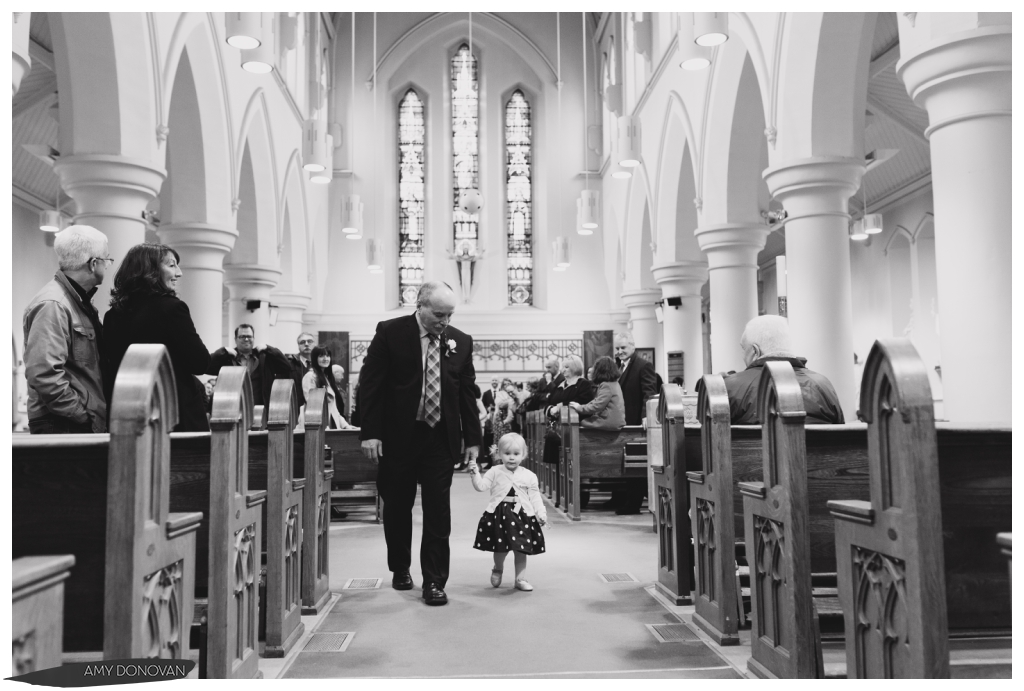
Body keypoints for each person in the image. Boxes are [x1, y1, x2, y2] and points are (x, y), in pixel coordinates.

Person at [358, 281, 481, 606]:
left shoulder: (460, 341)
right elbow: (370, 385)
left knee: (438, 511)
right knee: (397, 506)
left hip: (440, 438)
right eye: (439, 314)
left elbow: (467, 391)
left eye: (450, 314)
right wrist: (370, 432)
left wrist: (473, 439)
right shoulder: (390, 332)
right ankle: (400, 567)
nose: (444, 321)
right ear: (420, 306)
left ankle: (435, 581)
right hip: (398, 437)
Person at [103, 244, 211, 432]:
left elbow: (110, 367)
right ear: (150, 270)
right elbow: (200, 363)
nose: (179, 273)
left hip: (127, 416)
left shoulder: (112, 315)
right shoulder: (172, 309)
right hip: (173, 415)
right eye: (171, 265)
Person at [23, 225, 110, 434]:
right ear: (93, 264)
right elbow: (44, 373)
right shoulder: (54, 304)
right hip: (62, 423)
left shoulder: (76, 301)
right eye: (107, 259)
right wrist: (82, 415)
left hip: (69, 420)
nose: (108, 265)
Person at [725, 315, 845, 425]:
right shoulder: (823, 384)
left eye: (743, 348)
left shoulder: (730, 387)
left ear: (755, 351)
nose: (742, 354)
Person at [468, 432, 547, 591]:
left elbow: (535, 496)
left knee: (521, 548)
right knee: (500, 547)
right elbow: (481, 487)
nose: (512, 458)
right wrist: (475, 474)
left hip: (522, 516)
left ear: (523, 455)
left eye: (516, 454)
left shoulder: (529, 476)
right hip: (499, 516)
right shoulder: (495, 471)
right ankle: (498, 568)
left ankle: (520, 579)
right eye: (507, 453)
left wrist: (541, 513)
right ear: (499, 454)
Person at [207, 324, 292, 407]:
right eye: (242, 337)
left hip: (261, 410)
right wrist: (222, 351)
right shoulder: (227, 358)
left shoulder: (264, 357)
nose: (246, 339)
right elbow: (207, 368)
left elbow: (286, 366)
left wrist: (269, 348)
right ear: (235, 339)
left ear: (254, 338)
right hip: (233, 408)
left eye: (249, 336)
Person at [542, 355, 595, 465]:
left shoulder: (583, 384)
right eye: (563, 367)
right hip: (556, 429)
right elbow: (548, 402)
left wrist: (561, 406)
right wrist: (551, 409)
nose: (562, 370)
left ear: (575, 368)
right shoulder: (559, 385)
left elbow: (583, 401)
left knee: (568, 463)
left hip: (574, 428)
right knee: (554, 463)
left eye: (566, 367)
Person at [301, 345, 354, 429]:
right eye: (321, 356)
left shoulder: (326, 378)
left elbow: (333, 408)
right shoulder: (310, 376)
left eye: (327, 355)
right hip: (317, 425)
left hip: (331, 422)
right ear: (315, 358)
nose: (325, 359)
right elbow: (312, 405)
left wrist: (345, 425)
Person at [569, 356, 626, 431]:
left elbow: (597, 405)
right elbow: (597, 401)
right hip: (616, 420)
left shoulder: (606, 385)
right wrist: (582, 406)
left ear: (599, 370)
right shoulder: (614, 383)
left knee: (580, 422)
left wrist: (579, 408)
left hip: (609, 421)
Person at [615, 331, 658, 425]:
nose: (619, 352)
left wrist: (646, 415)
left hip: (635, 420)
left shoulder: (644, 366)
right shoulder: (616, 367)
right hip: (619, 420)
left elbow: (649, 393)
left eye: (623, 347)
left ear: (632, 346)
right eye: (617, 348)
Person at [287, 332, 317, 407]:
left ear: (314, 344)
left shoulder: (320, 364)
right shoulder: (290, 363)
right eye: (302, 342)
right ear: (298, 346)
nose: (306, 344)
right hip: (295, 407)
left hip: (316, 407)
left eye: (309, 341)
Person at [491, 377, 519, 443]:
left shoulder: (513, 392)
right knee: (501, 438)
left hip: (512, 418)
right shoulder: (500, 393)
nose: (507, 385)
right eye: (505, 384)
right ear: (502, 385)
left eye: (508, 384)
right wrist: (509, 402)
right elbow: (499, 404)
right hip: (501, 417)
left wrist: (513, 397)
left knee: (510, 440)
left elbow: (517, 403)